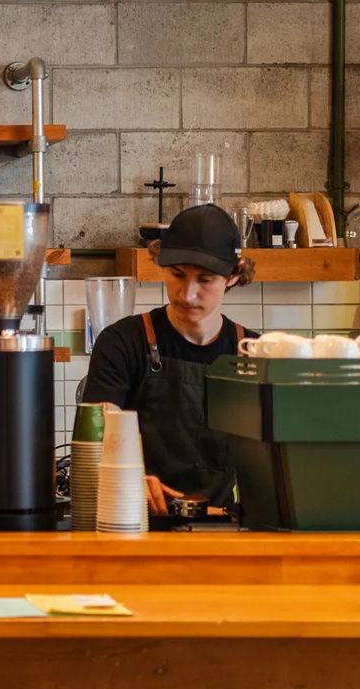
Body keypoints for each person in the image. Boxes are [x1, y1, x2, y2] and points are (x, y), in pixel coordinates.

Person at [79, 203, 257, 515]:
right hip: (134, 518)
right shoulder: (122, 343)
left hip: (220, 526)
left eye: (205, 279)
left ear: (232, 277)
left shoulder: (253, 353)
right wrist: (128, 480)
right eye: (177, 274)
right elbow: (97, 441)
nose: (187, 294)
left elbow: (274, 462)